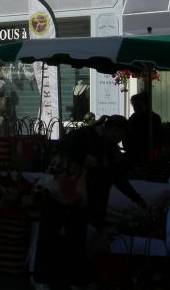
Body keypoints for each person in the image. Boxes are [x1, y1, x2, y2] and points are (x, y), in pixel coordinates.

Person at [32, 115, 146, 290]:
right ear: (112, 130)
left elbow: (117, 177)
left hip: (79, 198)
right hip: (57, 193)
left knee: (76, 238)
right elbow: (60, 147)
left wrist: (136, 197)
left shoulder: (109, 150)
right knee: (49, 234)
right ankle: (40, 277)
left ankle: (76, 279)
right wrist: (82, 158)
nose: (119, 140)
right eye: (119, 136)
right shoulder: (83, 135)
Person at [124, 92, 162, 167]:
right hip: (135, 153)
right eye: (134, 106)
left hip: (146, 153)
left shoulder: (153, 118)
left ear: (145, 104)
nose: (135, 108)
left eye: (138, 105)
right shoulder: (134, 118)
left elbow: (157, 138)